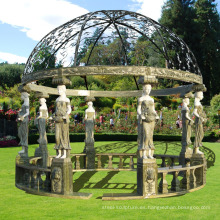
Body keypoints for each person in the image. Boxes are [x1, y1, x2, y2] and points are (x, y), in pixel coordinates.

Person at [137, 84, 159, 159]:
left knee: (150, 136)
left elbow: (153, 109)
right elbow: (138, 109)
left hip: (151, 118)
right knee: (146, 135)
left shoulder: (152, 99)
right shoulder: (141, 99)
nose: (148, 91)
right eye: (147, 89)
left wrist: (156, 114)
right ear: (143, 89)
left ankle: (149, 154)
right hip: (145, 118)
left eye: (149, 89)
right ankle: (144, 153)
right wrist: (141, 115)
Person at [53, 85, 71, 158]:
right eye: (58, 90)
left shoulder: (67, 99)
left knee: (64, 135)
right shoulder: (57, 100)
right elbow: (56, 110)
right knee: (57, 136)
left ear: (64, 90)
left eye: (60, 90)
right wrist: (52, 116)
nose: (58, 91)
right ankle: (59, 153)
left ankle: (64, 153)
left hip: (64, 120)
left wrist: (66, 115)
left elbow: (69, 109)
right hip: (58, 119)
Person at [17, 92, 30, 156]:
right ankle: (23, 147)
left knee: (24, 133)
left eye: (21, 95)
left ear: (24, 96)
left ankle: (24, 149)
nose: (21, 97)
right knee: (20, 133)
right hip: (22, 120)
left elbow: (28, 112)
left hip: (24, 120)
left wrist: (22, 116)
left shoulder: (26, 103)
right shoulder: (25, 103)